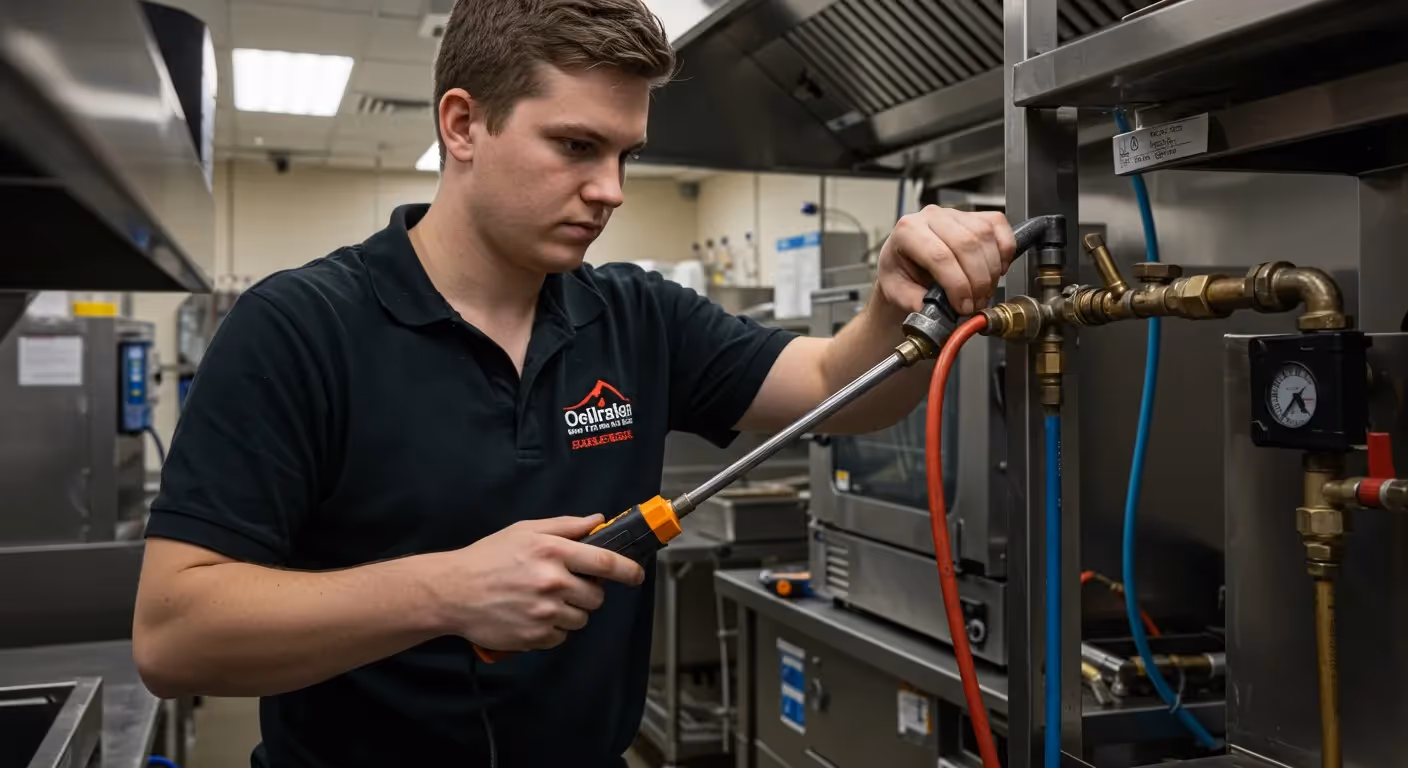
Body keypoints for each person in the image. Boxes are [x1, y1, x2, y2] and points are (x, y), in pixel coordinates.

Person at [131, 0, 1017, 765]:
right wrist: (444, 591)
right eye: (576, 146)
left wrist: (897, 305)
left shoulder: (639, 318)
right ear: (463, 124)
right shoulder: (301, 328)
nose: (611, 190)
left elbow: (836, 383)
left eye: (626, 154)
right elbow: (175, 634)